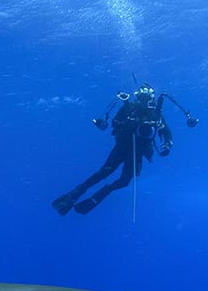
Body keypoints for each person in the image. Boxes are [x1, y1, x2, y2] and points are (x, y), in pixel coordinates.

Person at [52, 80, 195, 216]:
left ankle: (100, 194)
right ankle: (74, 194)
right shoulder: (129, 107)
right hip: (123, 145)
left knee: (125, 181)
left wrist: (167, 144)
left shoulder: (155, 113)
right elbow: (114, 123)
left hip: (140, 150)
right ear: (138, 95)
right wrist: (128, 124)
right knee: (105, 172)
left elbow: (165, 131)